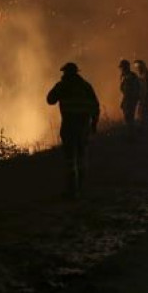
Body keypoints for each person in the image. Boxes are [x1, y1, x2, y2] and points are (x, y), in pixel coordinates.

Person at [47, 62, 100, 199]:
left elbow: (50, 99)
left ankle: (72, 191)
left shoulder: (63, 86)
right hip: (84, 128)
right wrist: (94, 124)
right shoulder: (86, 86)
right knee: (82, 157)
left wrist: (59, 86)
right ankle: (81, 189)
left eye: (64, 73)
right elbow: (95, 106)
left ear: (66, 73)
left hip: (69, 127)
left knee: (70, 160)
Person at [118, 59, 140, 130]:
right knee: (126, 117)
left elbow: (137, 89)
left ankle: (131, 132)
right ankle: (129, 131)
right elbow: (122, 89)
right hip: (127, 98)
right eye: (121, 68)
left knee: (129, 117)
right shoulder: (123, 76)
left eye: (122, 67)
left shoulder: (133, 76)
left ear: (126, 67)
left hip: (131, 99)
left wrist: (134, 99)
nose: (121, 69)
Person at [132, 59, 148, 126]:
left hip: (146, 95)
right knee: (143, 111)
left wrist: (144, 96)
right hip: (143, 96)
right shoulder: (142, 74)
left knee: (144, 111)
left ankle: (147, 126)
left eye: (138, 67)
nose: (137, 69)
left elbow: (146, 87)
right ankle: (146, 125)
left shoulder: (146, 74)